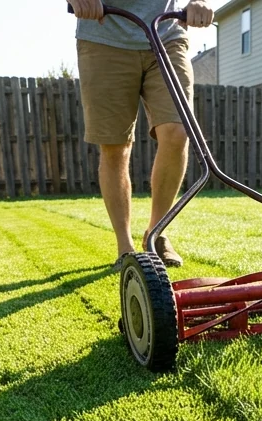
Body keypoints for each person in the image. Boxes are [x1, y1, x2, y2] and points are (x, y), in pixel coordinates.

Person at [69, 0, 213, 269]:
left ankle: (156, 233)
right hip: (105, 36)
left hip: (166, 32)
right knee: (115, 145)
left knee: (178, 130)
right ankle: (125, 247)